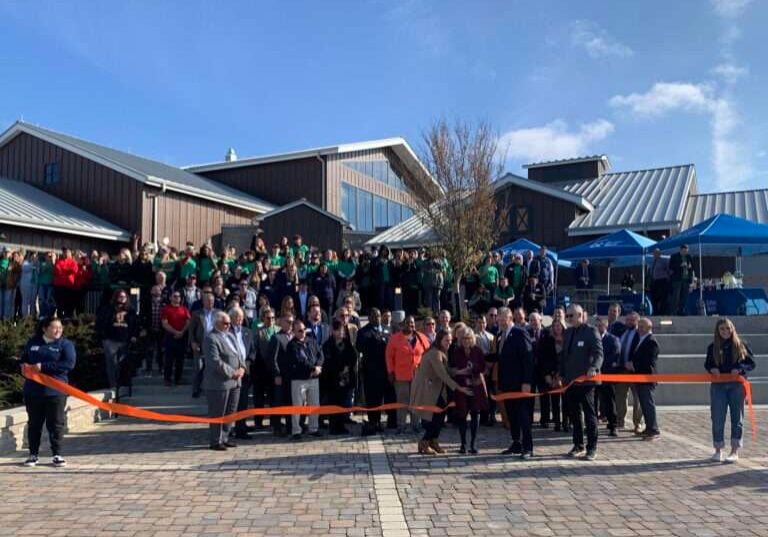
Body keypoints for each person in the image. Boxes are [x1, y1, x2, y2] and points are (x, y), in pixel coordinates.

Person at [20, 317, 76, 467]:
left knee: (56, 423)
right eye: (54, 327)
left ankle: (57, 454)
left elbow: (68, 364)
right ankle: (33, 454)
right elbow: (24, 359)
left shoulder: (65, 344)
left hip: (55, 391)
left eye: (60, 328)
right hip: (33, 391)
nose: (58, 330)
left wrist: (43, 367)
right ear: (45, 328)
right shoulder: (33, 342)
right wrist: (23, 367)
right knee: (34, 424)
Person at [410, 330, 471, 455]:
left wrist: (460, 371)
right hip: (428, 390)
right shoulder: (434, 353)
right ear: (439, 340)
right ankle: (425, 442)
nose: (449, 343)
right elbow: (444, 375)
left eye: (450, 340)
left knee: (440, 416)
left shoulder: (442, 352)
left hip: (437, 390)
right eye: (446, 340)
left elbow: (447, 370)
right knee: (433, 418)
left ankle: (433, 441)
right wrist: (460, 388)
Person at [706, 318, 756, 463]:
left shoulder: (742, 345)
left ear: (732, 329)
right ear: (717, 331)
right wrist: (712, 368)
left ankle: (734, 450)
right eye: (722, 329)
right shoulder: (712, 347)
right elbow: (708, 363)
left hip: (736, 386)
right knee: (717, 417)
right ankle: (718, 449)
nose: (725, 331)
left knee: (737, 418)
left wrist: (740, 369)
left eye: (727, 328)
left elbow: (751, 363)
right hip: (718, 386)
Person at [489, 307, 534, 459]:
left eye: (503, 319)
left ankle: (528, 447)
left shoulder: (520, 333)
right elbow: (499, 357)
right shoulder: (501, 335)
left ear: (510, 318)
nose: (500, 321)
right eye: (499, 319)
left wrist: (527, 381)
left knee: (523, 416)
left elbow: (528, 359)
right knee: (511, 415)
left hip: (520, 383)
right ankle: (517, 443)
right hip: (506, 383)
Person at [560, 304, 603, 461]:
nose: (568, 319)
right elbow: (565, 356)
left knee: (590, 415)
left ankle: (592, 448)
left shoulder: (591, 331)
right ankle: (578, 444)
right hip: (571, 382)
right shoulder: (569, 332)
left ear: (580, 315)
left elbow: (599, 353)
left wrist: (594, 368)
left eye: (571, 316)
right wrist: (561, 374)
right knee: (575, 416)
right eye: (567, 316)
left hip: (586, 382)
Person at [203, 311, 247, 450]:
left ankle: (225, 437)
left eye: (229, 323)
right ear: (217, 323)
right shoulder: (211, 338)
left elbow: (239, 354)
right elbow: (215, 361)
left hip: (236, 382)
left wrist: (242, 369)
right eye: (225, 323)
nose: (229, 326)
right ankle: (215, 441)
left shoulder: (231, 336)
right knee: (218, 412)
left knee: (231, 412)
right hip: (219, 383)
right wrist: (232, 372)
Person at [386, 315, 430, 432]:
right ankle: (401, 425)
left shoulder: (422, 338)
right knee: (402, 401)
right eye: (407, 323)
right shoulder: (395, 338)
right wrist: (390, 371)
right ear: (402, 325)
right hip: (401, 376)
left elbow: (428, 354)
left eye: (412, 323)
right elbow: (389, 357)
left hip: (418, 375)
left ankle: (416, 424)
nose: (410, 325)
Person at [357, 308, 396, 435]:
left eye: (379, 316)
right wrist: (375, 341)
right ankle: (374, 422)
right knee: (374, 399)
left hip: (387, 371)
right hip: (372, 373)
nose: (377, 318)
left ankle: (391, 421)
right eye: (374, 316)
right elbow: (359, 346)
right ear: (369, 318)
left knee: (390, 397)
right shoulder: (363, 332)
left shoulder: (388, 329)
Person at [449, 328, 487, 454]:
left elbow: (483, 367)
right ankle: (463, 444)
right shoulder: (456, 351)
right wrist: (461, 371)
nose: (466, 341)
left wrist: (473, 368)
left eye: (468, 338)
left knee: (475, 414)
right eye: (464, 338)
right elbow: (452, 370)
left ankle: (473, 444)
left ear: (472, 339)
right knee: (462, 415)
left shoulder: (477, 351)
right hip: (461, 388)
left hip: (475, 387)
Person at [286, 318, 324, 440]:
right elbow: (300, 360)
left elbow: (320, 354)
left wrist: (318, 366)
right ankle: (296, 430)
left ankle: (313, 428)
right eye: (300, 331)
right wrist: (313, 368)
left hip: (314, 378)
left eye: (304, 330)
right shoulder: (292, 345)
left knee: (315, 404)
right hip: (299, 380)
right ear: (294, 332)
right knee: (297, 406)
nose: (302, 333)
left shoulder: (311, 341)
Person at [95, 289, 139, 390]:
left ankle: (123, 385)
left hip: (125, 341)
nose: (122, 299)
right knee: (111, 364)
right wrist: (103, 337)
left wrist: (134, 336)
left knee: (122, 364)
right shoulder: (108, 309)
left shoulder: (131, 311)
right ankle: (113, 385)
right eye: (120, 296)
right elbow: (101, 323)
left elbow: (135, 325)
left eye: (124, 297)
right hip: (110, 340)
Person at [322, 319, 358, 435]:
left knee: (343, 403)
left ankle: (342, 425)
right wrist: (339, 369)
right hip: (333, 379)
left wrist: (347, 367)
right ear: (333, 331)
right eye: (338, 330)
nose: (341, 333)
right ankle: (333, 426)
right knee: (334, 403)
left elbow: (353, 356)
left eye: (342, 330)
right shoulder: (328, 345)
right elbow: (328, 361)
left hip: (346, 378)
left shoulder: (347, 343)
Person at [628, 318, 661, 441]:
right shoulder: (640, 339)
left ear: (649, 328)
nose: (640, 329)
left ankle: (653, 429)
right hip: (639, 378)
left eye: (643, 327)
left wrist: (634, 365)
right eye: (639, 326)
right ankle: (648, 428)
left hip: (647, 378)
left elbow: (649, 362)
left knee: (648, 404)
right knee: (644, 404)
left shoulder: (651, 341)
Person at [615, 312, 644, 434]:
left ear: (637, 321)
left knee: (638, 398)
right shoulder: (622, 332)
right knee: (620, 396)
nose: (628, 322)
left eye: (631, 320)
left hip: (635, 371)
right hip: (622, 370)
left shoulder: (640, 335)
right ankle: (620, 420)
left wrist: (633, 363)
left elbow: (642, 352)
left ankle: (638, 423)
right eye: (627, 320)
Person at [230, 307, 256, 440]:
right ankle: (227, 430)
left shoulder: (247, 332)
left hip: (245, 372)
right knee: (230, 403)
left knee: (243, 402)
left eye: (241, 317)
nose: (239, 320)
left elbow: (252, 351)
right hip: (231, 373)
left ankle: (241, 428)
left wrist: (246, 366)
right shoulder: (227, 331)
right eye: (236, 317)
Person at [268, 312, 295, 436]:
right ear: (281, 322)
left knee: (291, 402)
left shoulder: (295, 336)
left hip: (293, 376)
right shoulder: (276, 337)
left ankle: (291, 426)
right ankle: (277, 427)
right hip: (281, 376)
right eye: (288, 322)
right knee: (278, 402)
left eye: (292, 322)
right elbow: (272, 359)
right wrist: (276, 374)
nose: (290, 324)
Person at [188, 292, 219, 397]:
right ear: (204, 301)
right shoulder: (196, 314)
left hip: (213, 345)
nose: (211, 303)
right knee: (199, 367)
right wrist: (193, 342)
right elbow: (191, 330)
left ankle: (209, 389)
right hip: (200, 345)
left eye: (212, 301)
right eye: (208, 301)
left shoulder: (218, 313)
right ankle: (196, 390)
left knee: (212, 369)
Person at [596, 317, 621, 437]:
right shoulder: (593, 339)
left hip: (607, 374)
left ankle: (613, 425)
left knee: (609, 401)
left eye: (601, 325)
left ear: (606, 326)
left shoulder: (612, 339)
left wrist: (600, 365)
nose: (599, 328)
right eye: (597, 325)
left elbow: (615, 355)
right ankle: (593, 424)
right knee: (594, 401)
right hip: (594, 375)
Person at [160, 290, 191, 386]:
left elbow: (188, 322)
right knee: (168, 360)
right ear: (170, 298)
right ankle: (167, 379)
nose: (177, 298)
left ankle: (178, 379)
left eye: (178, 296)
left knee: (180, 360)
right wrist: (175, 332)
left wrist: (182, 332)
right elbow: (164, 323)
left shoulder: (184, 309)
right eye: (175, 296)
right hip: (170, 336)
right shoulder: (166, 309)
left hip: (182, 337)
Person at [669, 244, 694, 315]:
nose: (685, 253)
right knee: (676, 296)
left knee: (684, 296)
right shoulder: (674, 256)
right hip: (677, 279)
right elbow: (671, 266)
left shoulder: (689, 257)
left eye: (686, 251)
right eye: (683, 251)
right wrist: (680, 265)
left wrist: (690, 267)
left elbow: (692, 268)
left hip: (686, 279)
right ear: (680, 250)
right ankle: (673, 312)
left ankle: (681, 311)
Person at [649, 249, 670, 315]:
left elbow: (669, 270)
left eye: (656, 253)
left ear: (659, 254)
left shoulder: (664, 260)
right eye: (654, 253)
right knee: (654, 298)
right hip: (655, 282)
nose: (654, 255)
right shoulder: (653, 262)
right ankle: (656, 312)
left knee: (663, 298)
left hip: (662, 281)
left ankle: (662, 312)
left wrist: (666, 275)